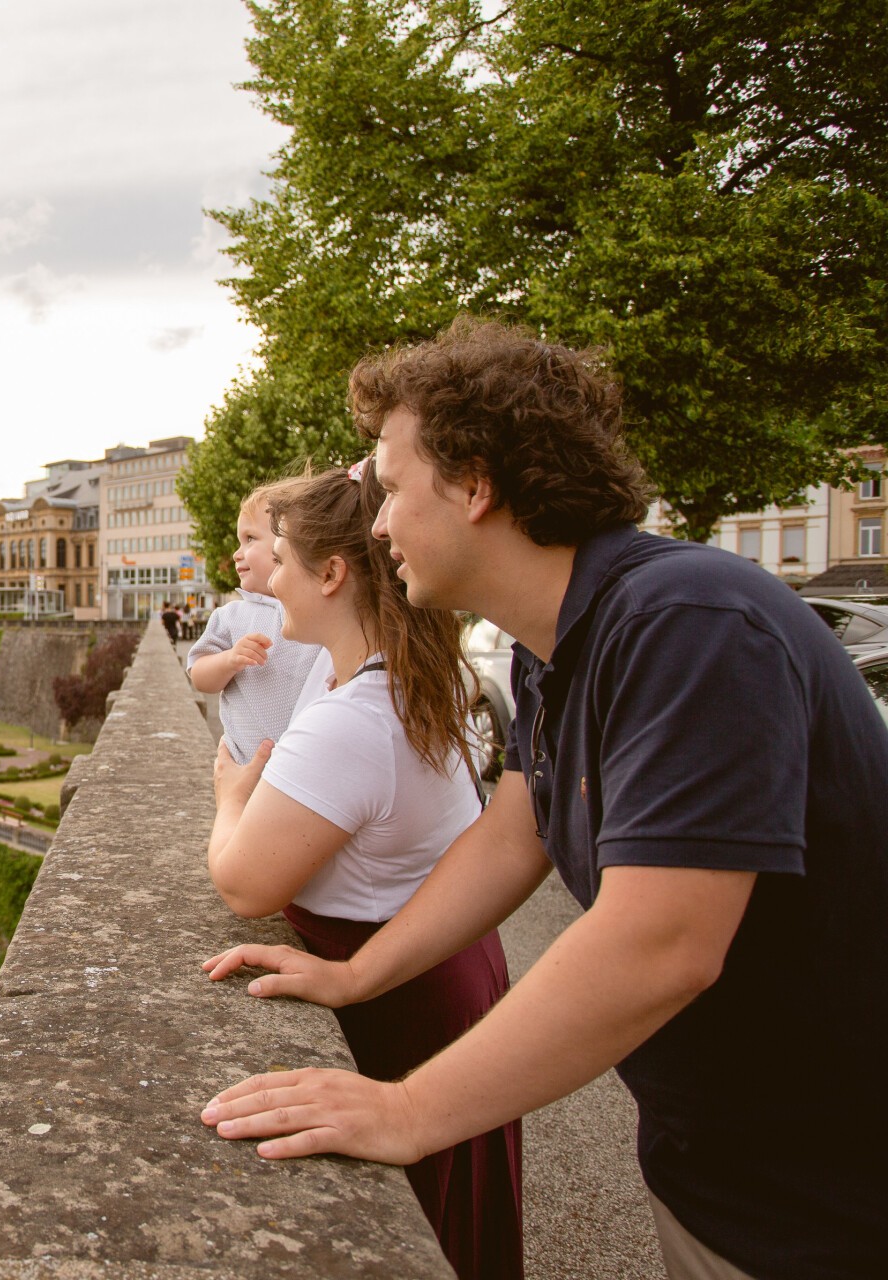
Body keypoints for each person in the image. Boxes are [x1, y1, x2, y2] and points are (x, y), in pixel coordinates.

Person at [198, 318, 888, 1280]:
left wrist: (406, 1110)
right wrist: (359, 978)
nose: (381, 521)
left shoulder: (687, 623)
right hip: (723, 1166)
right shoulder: (559, 643)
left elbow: (662, 942)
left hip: (828, 1193)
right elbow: (511, 834)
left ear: (476, 484)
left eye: (393, 489)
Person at [203, 461, 519, 1280]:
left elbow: (243, 885)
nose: (266, 575)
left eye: (280, 557)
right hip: (444, 961)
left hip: (401, 991)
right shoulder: (411, 676)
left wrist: (229, 799)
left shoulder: (350, 720)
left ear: (333, 574)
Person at [186, 478, 323, 762]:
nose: (237, 553)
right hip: (246, 764)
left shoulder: (317, 609)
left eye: (250, 539)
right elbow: (199, 674)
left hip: (306, 762)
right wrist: (229, 659)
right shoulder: (232, 615)